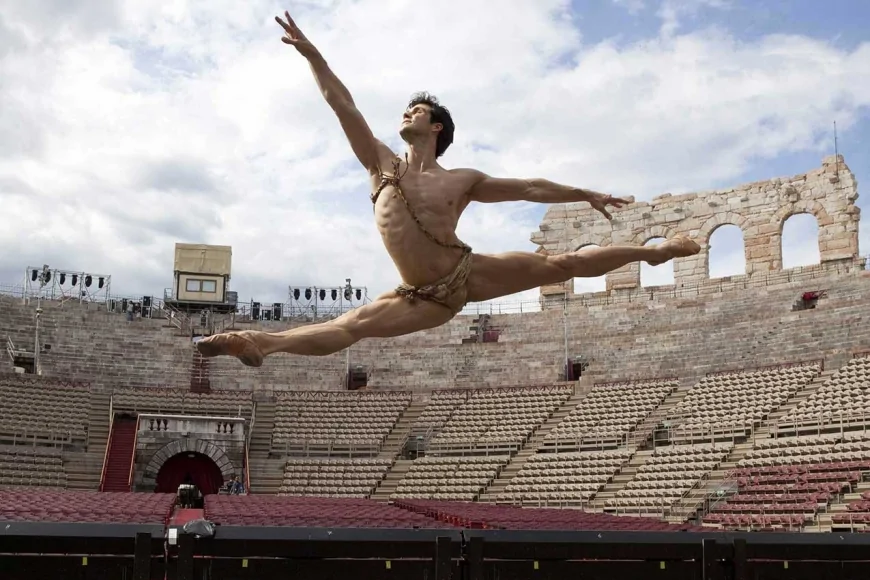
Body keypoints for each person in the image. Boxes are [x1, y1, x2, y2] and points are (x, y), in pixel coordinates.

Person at [196, 10, 701, 367]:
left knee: (561, 265)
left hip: (467, 273)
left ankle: (654, 253)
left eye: (416, 111)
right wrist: (315, 58)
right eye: (406, 110)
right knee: (350, 326)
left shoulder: (462, 180)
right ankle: (259, 341)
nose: (406, 114)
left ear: (436, 128)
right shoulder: (380, 165)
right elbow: (343, 106)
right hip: (420, 297)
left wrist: (583, 193)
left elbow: (528, 187)